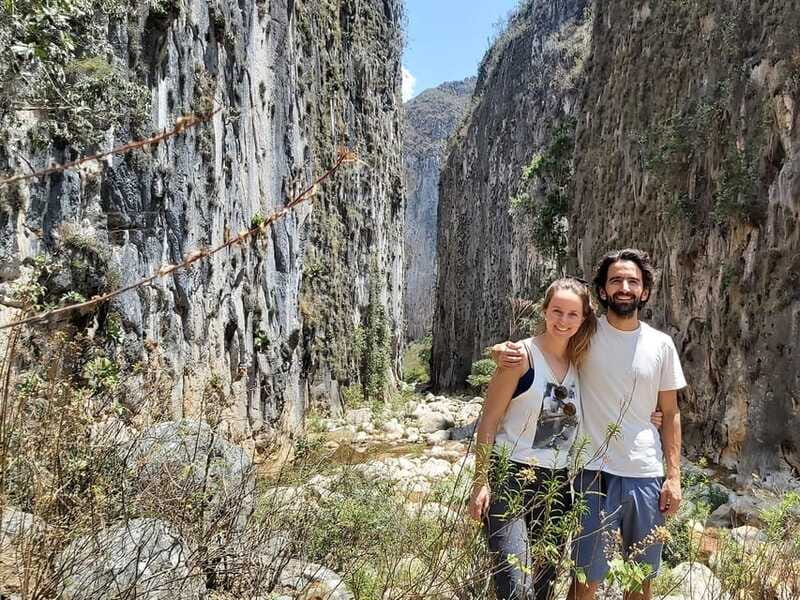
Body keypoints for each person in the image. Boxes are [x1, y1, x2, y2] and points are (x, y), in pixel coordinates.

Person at [492, 249, 686, 600]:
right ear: (602, 291)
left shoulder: (662, 345)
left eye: (633, 282)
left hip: (646, 473)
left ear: (644, 292)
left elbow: (670, 413)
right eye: (615, 281)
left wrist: (673, 477)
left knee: (640, 582)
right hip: (592, 474)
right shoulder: (585, 335)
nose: (624, 287)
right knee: (585, 580)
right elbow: (544, 347)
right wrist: (501, 351)